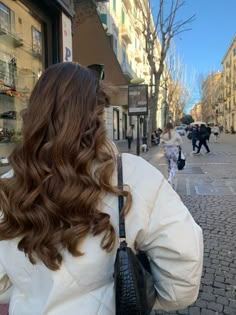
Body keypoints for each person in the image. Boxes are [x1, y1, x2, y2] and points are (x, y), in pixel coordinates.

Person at [0, 62, 203, 314]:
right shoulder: (134, 176)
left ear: (34, 114)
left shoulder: (8, 185)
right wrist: (142, 298)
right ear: (97, 114)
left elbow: (2, 285)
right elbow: (183, 275)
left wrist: (31, 293)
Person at [160, 122, 183, 187]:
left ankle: (169, 179)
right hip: (174, 150)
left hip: (166, 151)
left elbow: (161, 142)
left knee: (169, 165)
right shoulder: (175, 133)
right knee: (174, 166)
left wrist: (165, 144)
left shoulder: (163, 134)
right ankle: (170, 179)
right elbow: (180, 141)